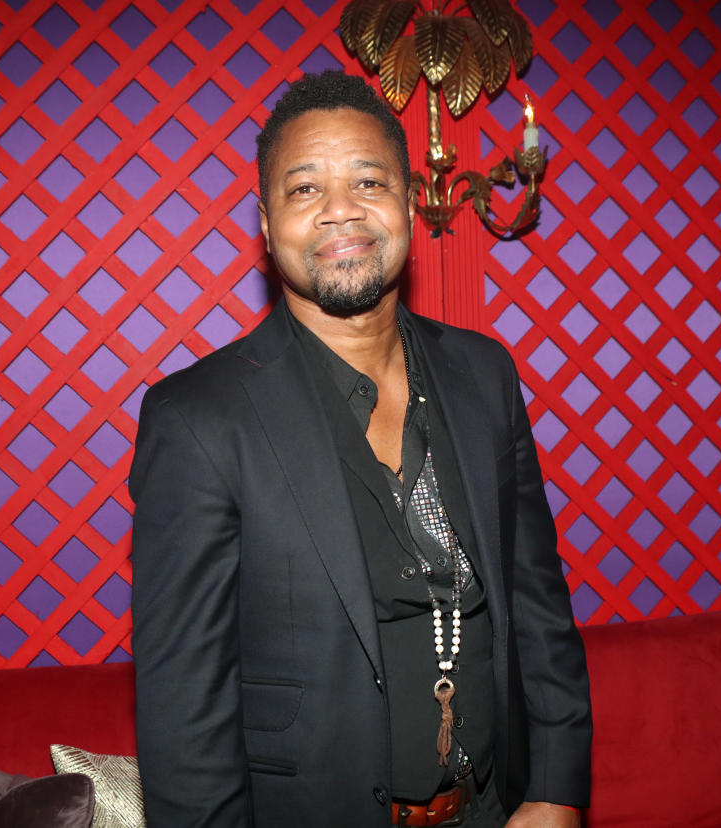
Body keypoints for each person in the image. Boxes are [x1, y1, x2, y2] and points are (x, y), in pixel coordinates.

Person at [129, 70, 591, 827]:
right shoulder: (198, 419)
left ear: (408, 201)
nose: (342, 210)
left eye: (369, 181)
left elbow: (539, 607)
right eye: (305, 189)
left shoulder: (485, 374)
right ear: (264, 220)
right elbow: (185, 708)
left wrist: (557, 789)